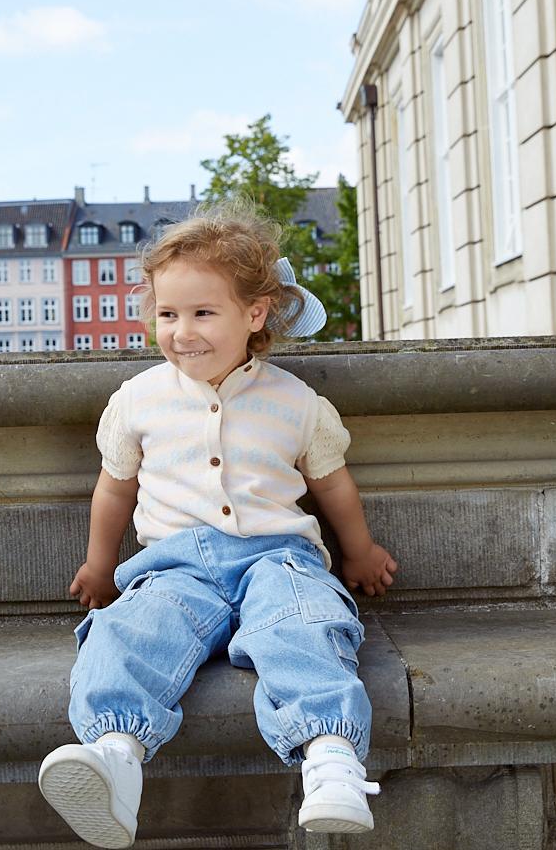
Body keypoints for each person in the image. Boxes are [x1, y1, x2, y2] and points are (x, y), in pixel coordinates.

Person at [38, 201, 398, 849]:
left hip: (277, 556)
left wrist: (360, 552)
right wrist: (99, 563)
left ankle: (332, 759)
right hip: (174, 564)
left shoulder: (295, 403)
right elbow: (114, 488)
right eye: (168, 315)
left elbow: (332, 485)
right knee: (129, 632)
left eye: (203, 313)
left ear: (254, 314)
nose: (182, 332)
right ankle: (116, 758)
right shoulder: (139, 399)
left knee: (304, 628)